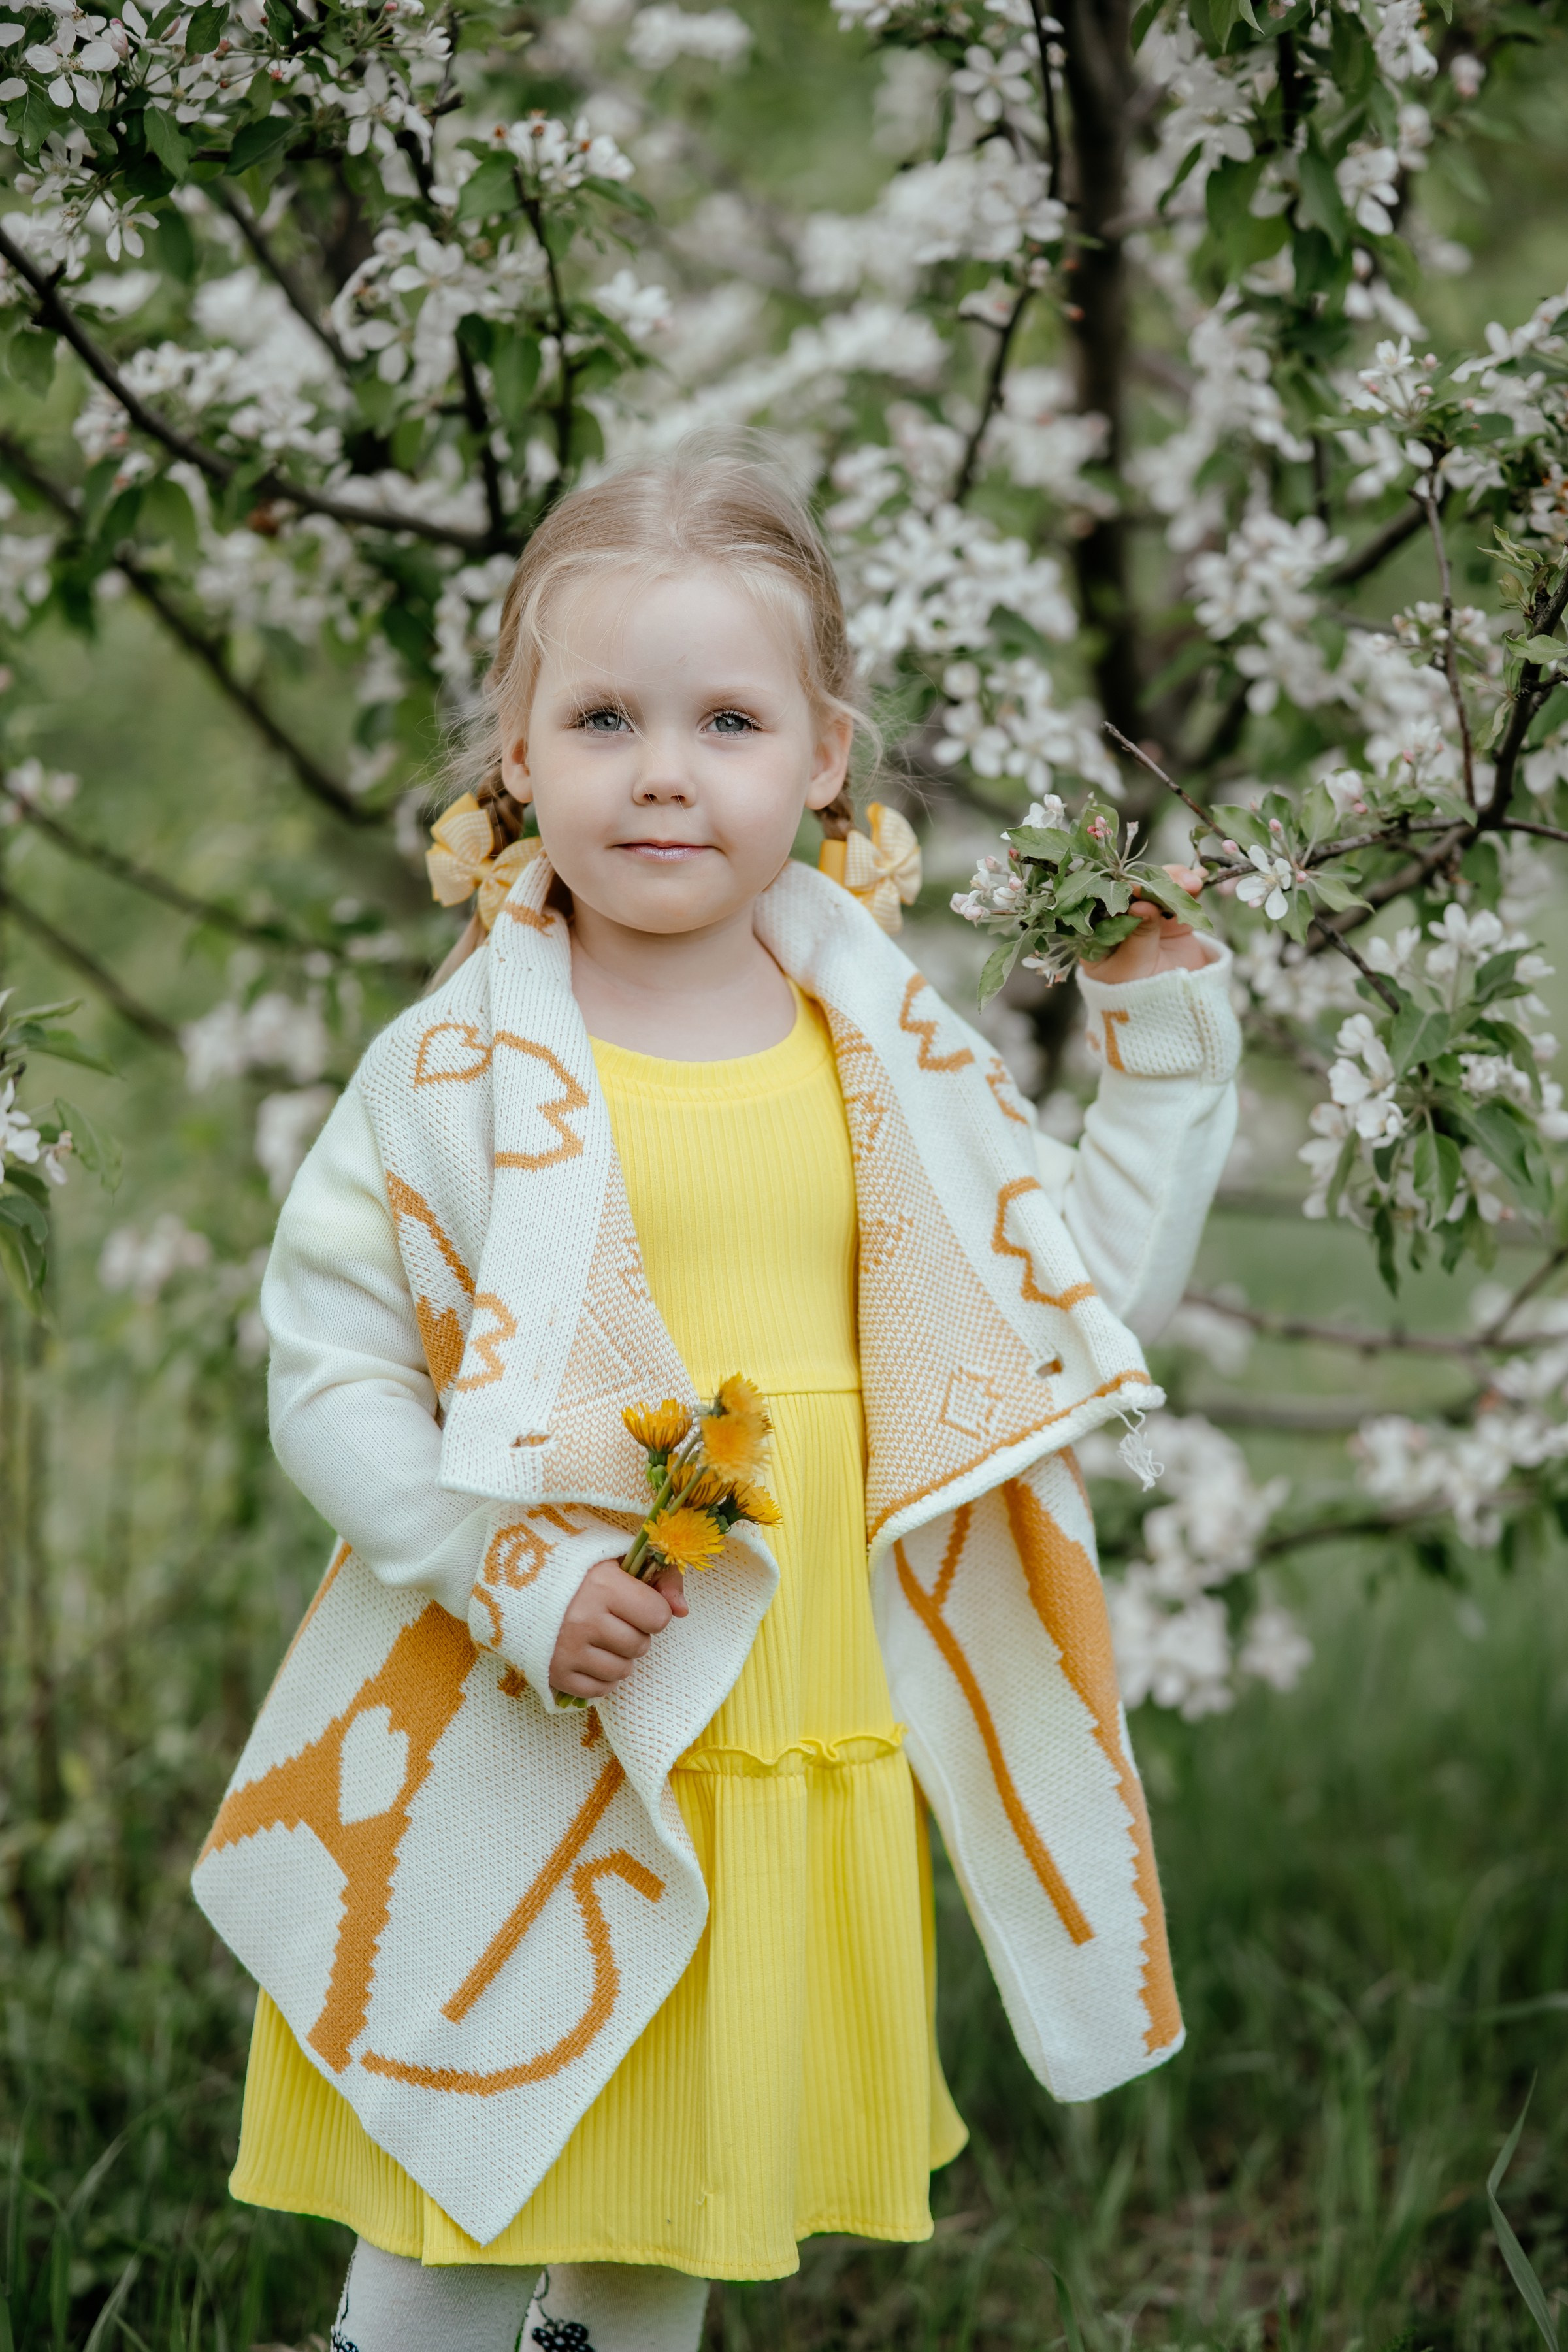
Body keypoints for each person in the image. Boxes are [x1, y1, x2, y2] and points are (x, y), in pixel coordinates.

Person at [193, 441, 1239, 2352]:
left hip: (789, 1712)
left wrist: (1159, 1052)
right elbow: (330, 1368)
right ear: (516, 754)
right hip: (544, 1701)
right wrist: (503, 1568)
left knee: (663, 2215)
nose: (664, 770)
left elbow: (1063, 1309)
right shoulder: (454, 1072)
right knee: (463, 2185)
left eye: (729, 721)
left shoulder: (889, 1051)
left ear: (826, 758)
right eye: (604, 717)